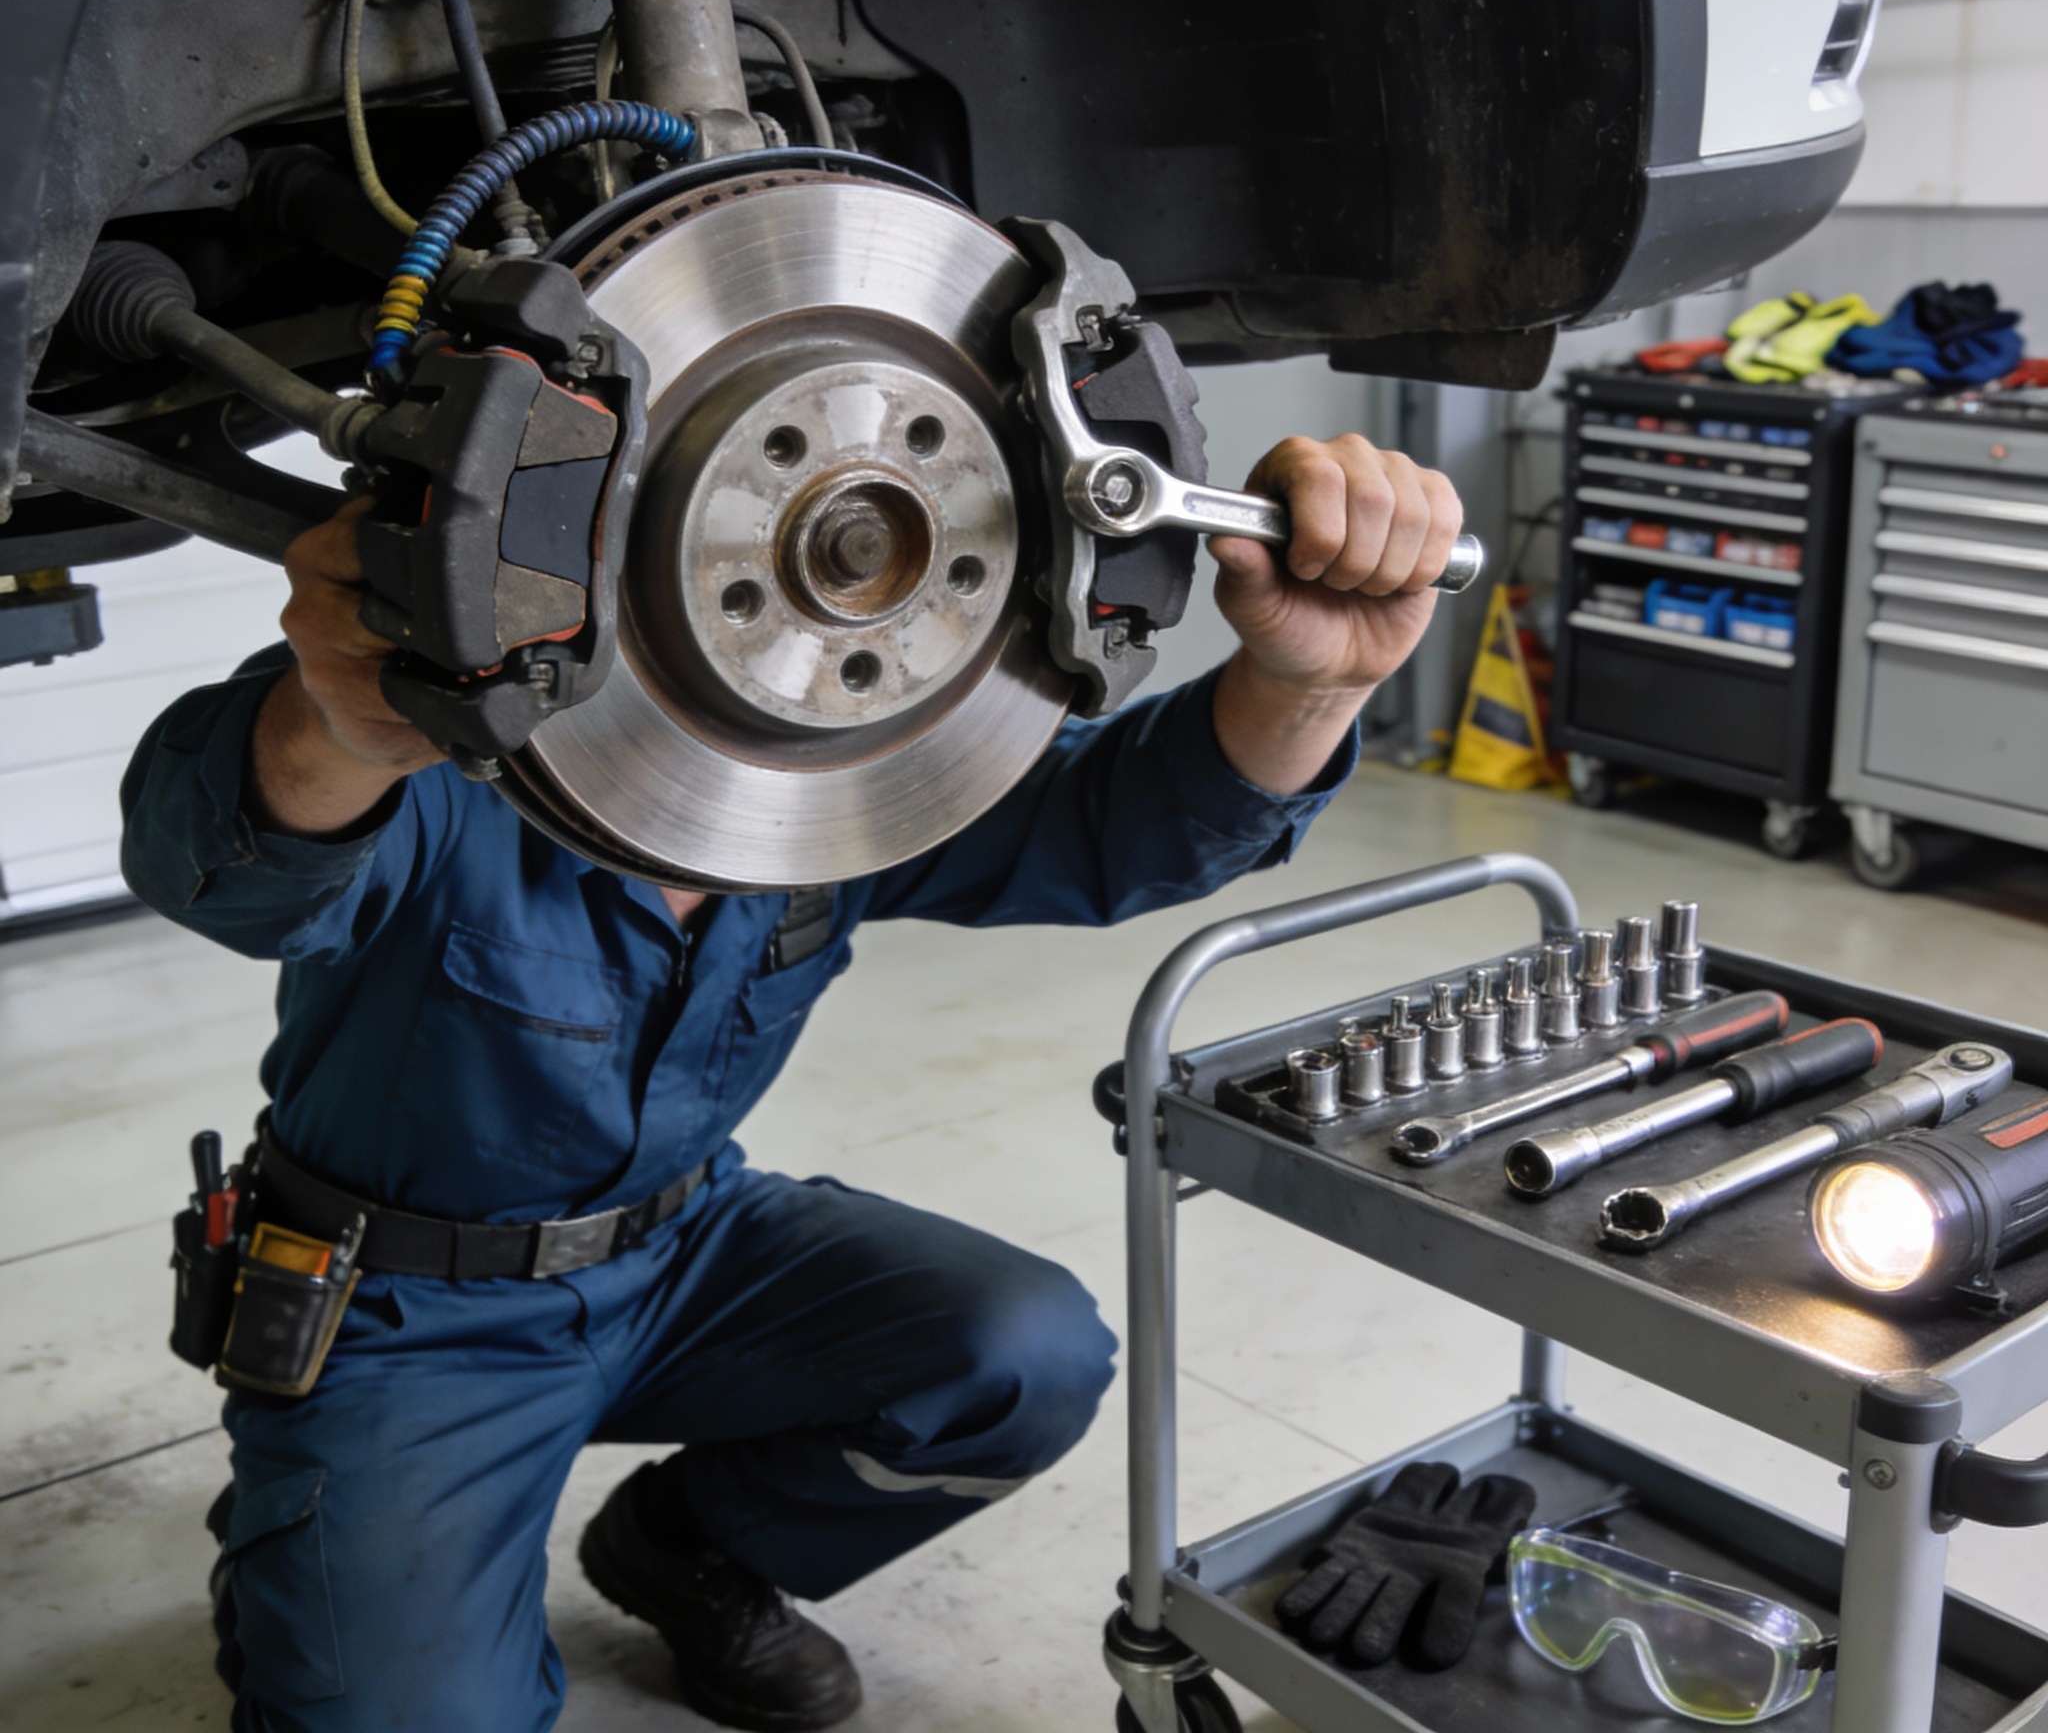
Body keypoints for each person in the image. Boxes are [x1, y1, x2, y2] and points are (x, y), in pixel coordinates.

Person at [122, 431, 1462, 1733]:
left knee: (1022, 1355)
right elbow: (224, 862)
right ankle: (322, 1571)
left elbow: (1118, 824)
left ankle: (684, 1546)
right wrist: (336, 719)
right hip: (407, 1309)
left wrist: (1313, 677)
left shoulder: (836, 774)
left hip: (688, 1247)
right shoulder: (441, 732)